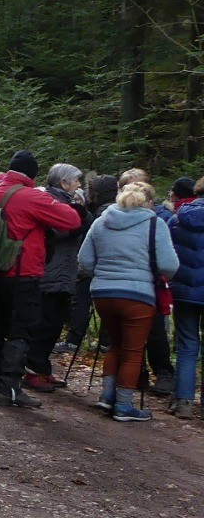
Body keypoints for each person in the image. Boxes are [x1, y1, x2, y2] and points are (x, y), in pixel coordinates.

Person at [0, 151, 81, 407]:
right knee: (21, 330)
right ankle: (9, 388)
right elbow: (72, 220)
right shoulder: (30, 196)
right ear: (32, 174)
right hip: (22, 272)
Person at [78, 181, 179, 421]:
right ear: (148, 202)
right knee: (133, 351)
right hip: (138, 294)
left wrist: (104, 274)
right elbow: (169, 265)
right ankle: (123, 406)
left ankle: (107, 396)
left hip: (103, 293)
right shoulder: (155, 223)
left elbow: (85, 260)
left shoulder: (101, 221)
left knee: (115, 345)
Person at [24, 164, 90, 390]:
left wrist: (80, 214)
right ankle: (32, 371)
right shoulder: (49, 201)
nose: (79, 185)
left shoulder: (67, 202)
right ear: (64, 182)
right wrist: (76, 220)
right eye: (76, 181)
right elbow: (53, 232)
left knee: (54, 324)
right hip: (49, 272)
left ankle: (42, 369)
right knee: (45, 324)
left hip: (63, 272)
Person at [61, 171, 118, 354]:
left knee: (81, 301)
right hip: (107, 266)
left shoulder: (102, 212)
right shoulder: (114, 209)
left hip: (94, 264)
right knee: (106, 304)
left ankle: (74, 341)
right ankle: (105, 342)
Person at [165, 178, 204, 419]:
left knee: (187, 345)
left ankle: (183, 402)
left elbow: (167, 253)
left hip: (184, 291)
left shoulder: (178, 218)